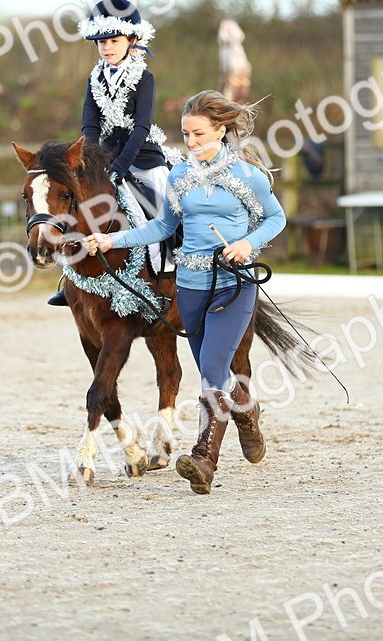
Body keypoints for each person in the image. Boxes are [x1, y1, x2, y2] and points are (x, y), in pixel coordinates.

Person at [84, 90, 286, 494]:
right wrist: (113, 240)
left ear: (221, 131)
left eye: (199, 134)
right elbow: (163, 227)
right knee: (215, 371)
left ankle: (203, 459)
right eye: (186, 134)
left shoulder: (248, 175)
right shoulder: (179, 177)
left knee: (211, 370)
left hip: (233, 283)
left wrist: (246, 243)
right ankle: (246, 412)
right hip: (190, 287)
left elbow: (275, 218)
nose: (191, 142)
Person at [47, 0, 181, 307]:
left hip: (142, 156)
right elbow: (89, 125)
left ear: (132, 39)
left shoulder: (144, 78)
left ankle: (169, 271)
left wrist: (121, 166)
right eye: (101, 42)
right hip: (103, 157)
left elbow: (141, 127)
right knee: (75, 207)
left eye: (114, 40)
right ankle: (72, 278)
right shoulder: (94, 78)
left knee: (164, 204)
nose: (107, 47)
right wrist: (93, 162)